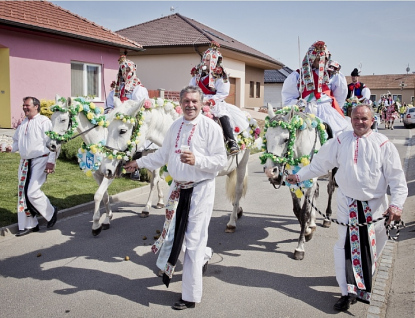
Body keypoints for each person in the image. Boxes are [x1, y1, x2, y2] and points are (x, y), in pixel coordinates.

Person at [285, 104, 408, 311]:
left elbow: (397, 178)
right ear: (351, 120)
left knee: (372, 246)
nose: (360, 122)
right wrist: (298, 176)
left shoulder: (383, 144)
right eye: (356, 118)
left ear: (372, 120)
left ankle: (361, 279)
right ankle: (347, 291)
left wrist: (396, 205)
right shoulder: (340, 141)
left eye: (364, 119)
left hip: (376, 206)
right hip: (347, 202)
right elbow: (319, 165)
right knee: (344, 246)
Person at [124, 85, 227, 310]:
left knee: (192, 243)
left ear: (201, 103)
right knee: (176, 237)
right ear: (180, 104)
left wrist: (198, 160)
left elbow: (221, 161)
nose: (190, 105)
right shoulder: (175, 126)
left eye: (194, 101)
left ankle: (190, 296)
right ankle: (205, 256)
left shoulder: (210, 128)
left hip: (200, 190)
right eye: (186, 101)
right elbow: (163, 155)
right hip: (177, 190)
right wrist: (138, 163)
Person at [2, 97, 58, 236]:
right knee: (22, 194)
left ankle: (51, 213)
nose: (24, 107)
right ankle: (29, 225)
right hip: (25, 162)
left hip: (41, 160)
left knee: (32, 192)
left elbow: (53, 142)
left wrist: (51, 161)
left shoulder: (44, 122)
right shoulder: (23, 123)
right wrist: (10, 148)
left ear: (36, 106)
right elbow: (16, 141)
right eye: (23, 105)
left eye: (27, 105)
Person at [281, 40, 351, 136]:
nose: (321, 61)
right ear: (311, 58)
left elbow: (340, 94)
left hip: (326, 110)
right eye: (318, 59)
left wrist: (331, 106)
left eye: (324, 58)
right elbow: (288, 97)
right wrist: (298, 104)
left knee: (334, 134)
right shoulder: (298, 75)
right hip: (306, 109)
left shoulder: (333, 74)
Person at [189, 42, 248, 154]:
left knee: (221, 114)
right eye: (205, 59)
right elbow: (191, 87)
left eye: (208, 60)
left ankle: (231, 141)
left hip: (215, 102)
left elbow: (223, 92)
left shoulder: (221, 75)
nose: (205, 62)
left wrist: (211, 101)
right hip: (199, 100)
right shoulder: (198, 73)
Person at [105, 55, 150, 180]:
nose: (125, 74)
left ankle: (135, 169)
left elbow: (139, 106)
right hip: (117, 120)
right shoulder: (116, 90)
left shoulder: (138, 88)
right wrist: (111, 112)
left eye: (128, 70)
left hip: (131, 119)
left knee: (137, 142)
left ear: (133, 71)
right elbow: (108, 105)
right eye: (123, 71)